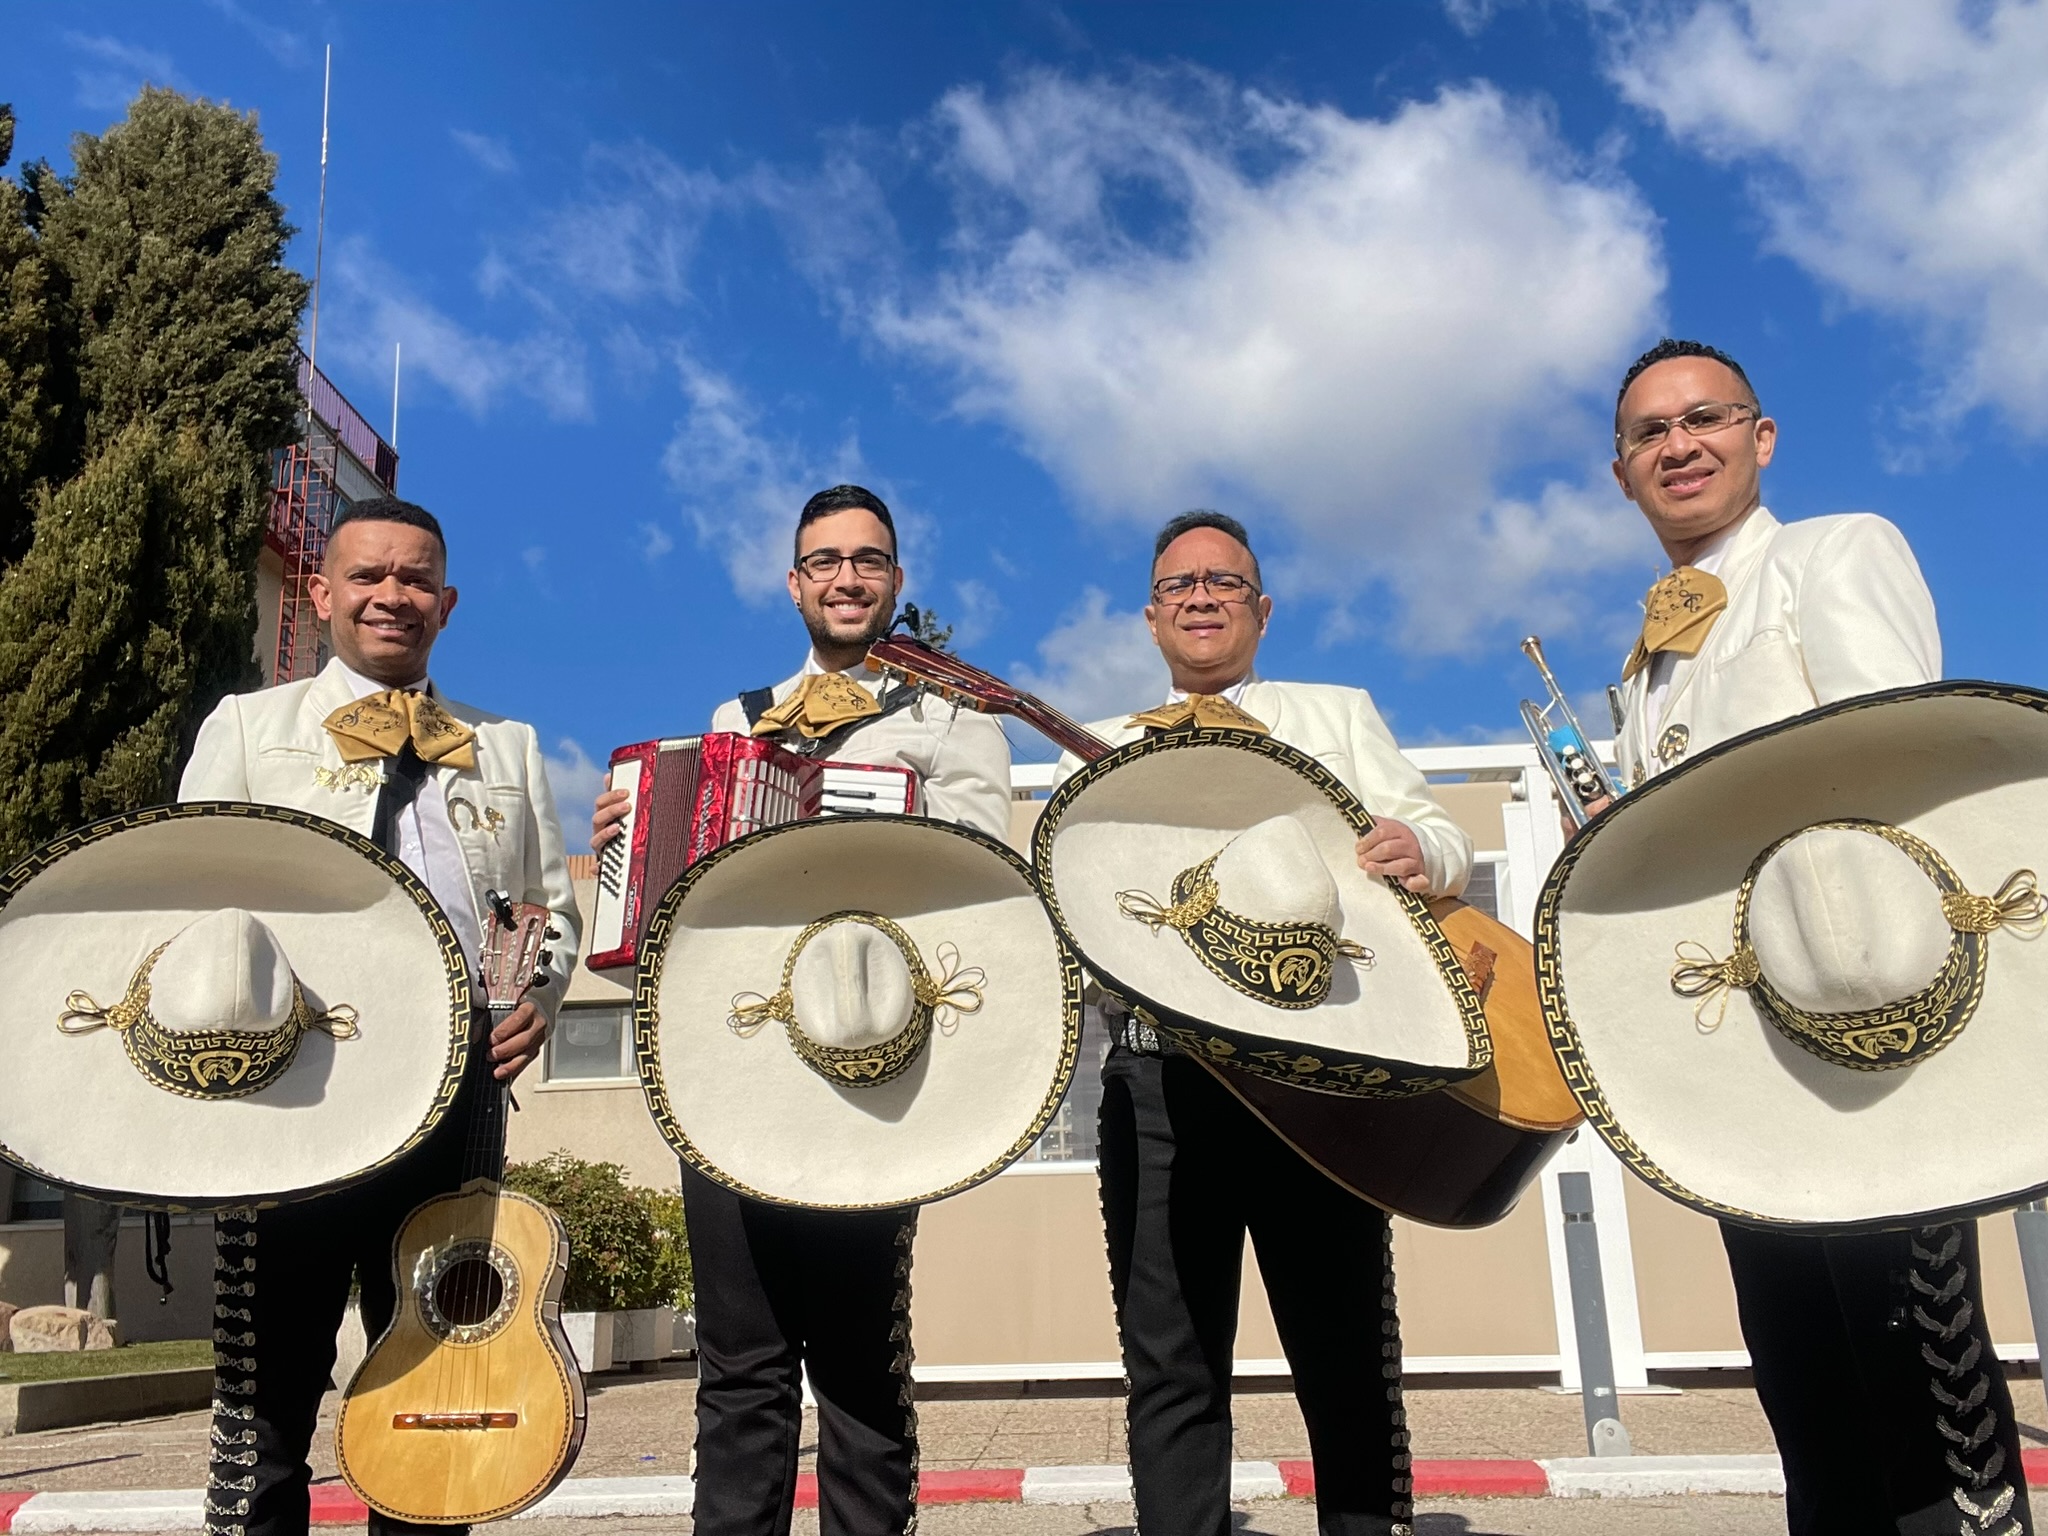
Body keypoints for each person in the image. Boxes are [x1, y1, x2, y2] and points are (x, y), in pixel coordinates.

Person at [1602, 337, 2029, 1535]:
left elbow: (1903, 765)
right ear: (1620, 473)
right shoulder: (1643, 661)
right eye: (1647, 434)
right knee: (1809, 1403)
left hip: (1871, 1036)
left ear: (1760, 437)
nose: (1678, 447)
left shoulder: (1831, 550)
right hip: (1744, 1065)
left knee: (1923, 1407)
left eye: (1705, 419)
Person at [591, 483, 1011, 1536]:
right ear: (793, 583)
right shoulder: (736, 718)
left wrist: (869, 817)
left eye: (866, 560)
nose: (845, 578)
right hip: (734, 1066)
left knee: (863, 1368)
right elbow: (691, 904)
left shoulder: (951, 717)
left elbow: (983, 880)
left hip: (872, 1064)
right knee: (740, 1369)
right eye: (824, 561)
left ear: (896, 581)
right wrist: (626, 847)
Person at [1051, 508, 1471, 1536]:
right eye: (1179, 585)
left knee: (1343, 1356)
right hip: (1155, 1084)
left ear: (1262, 609)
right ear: (1150, 617)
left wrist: (1420, 847)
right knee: (1170, 1361)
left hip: (1320, 1078)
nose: (1200, 597)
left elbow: (1444, 833)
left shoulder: (1334, 712)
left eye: (1223, 583)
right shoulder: (1096, 748)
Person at [180, 496, 580, 1536]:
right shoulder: (246, 730)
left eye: (413, 580)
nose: (390, 597)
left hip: (455, 1110)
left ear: (445, 604)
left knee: (433, 1392)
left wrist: (532, 993)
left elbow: (541, 907)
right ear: (321, 594)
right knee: (265, 1404)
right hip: (290, 1108)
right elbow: (191, 901)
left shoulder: (509, 746)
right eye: (367, 576)